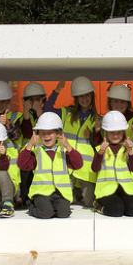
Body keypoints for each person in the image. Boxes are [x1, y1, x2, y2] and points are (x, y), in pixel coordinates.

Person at [44, 77, 100, 207]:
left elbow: (100, 145)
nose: (84, 99)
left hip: (86, 168)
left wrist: (94, 135)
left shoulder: (97, 118)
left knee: (89, 203)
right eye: (81, 96)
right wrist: (56, 92)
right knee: (64, 203)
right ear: (76, 97)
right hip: (67, 165)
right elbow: (47, 110)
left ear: (92, 96)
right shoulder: (66, 113)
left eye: (87, 95)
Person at [17, 112, 83, 219]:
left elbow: (78, 164)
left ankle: (53, 207)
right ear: (38, 135)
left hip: (60, 193)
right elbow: (22, 165)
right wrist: (30, 144)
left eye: (50, 133)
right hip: (42, 192)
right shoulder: (36, 152)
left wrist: (68, 146)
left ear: (58, 133)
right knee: (46, 213)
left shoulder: (64, 151)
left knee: (64, 213)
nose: (46, 136)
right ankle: (31, 206)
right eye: (43, 133)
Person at [92, 111, 133, 217]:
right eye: (112, 132)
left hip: (124, 188)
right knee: (117, 210)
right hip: (106, 189)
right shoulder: (100, 149)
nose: (115, 136)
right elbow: (94, 168)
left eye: (118, 132)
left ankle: (123, 203)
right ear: (106, 132)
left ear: (123, 132)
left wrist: (130, 151)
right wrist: (100, 152)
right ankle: (98, 205)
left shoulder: (129, 148)